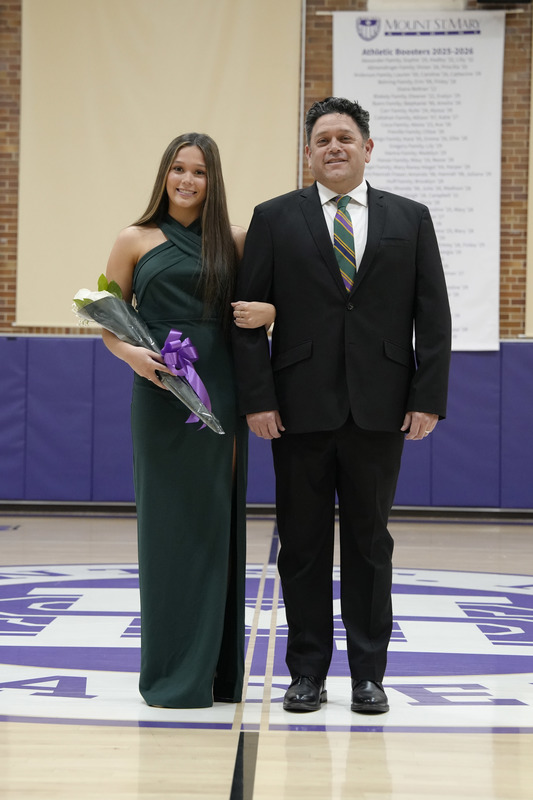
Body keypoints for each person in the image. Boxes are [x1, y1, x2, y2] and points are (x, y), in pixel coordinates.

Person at [231, 97, 451, 714]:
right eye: (322, 139)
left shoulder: (411, 218)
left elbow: (433, 315)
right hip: (296, 410)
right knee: (300, 546)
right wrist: (258, 399)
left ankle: (368, 676)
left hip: (380, 410)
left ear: (367, 148)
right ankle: (306, 674)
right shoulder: (274, 218)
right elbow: (247, 319)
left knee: (369, 544)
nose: (334, 147)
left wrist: (426, 397)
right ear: (308, 154)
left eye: (345, 138)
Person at [102, 133, 274, 708]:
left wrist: (271, 311)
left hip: (217, 397)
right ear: (164, 175)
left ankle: (216, 674)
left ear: (212, 180)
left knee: (211, 526)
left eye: (198, 172)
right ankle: (171, 673)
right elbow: (108, 320)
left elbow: (293, 295)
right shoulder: (133, 239)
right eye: (178, 168)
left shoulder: (237, 241)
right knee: (163, 528)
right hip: (156, 398)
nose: (186, 180)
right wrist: (132, 356)